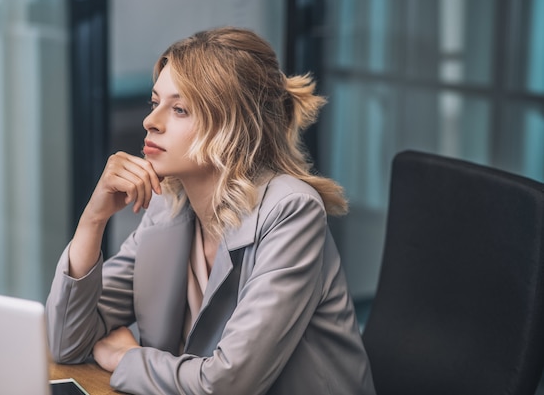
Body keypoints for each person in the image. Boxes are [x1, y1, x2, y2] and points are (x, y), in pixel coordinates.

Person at [46, 26, 375, 395]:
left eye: (180, 109)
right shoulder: (166, 209)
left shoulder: (292, 212)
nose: (150, 121)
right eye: (156, 103)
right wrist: (93, 220)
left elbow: (226, 385)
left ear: (233, 127)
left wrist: (126, 358)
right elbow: (68, 344)